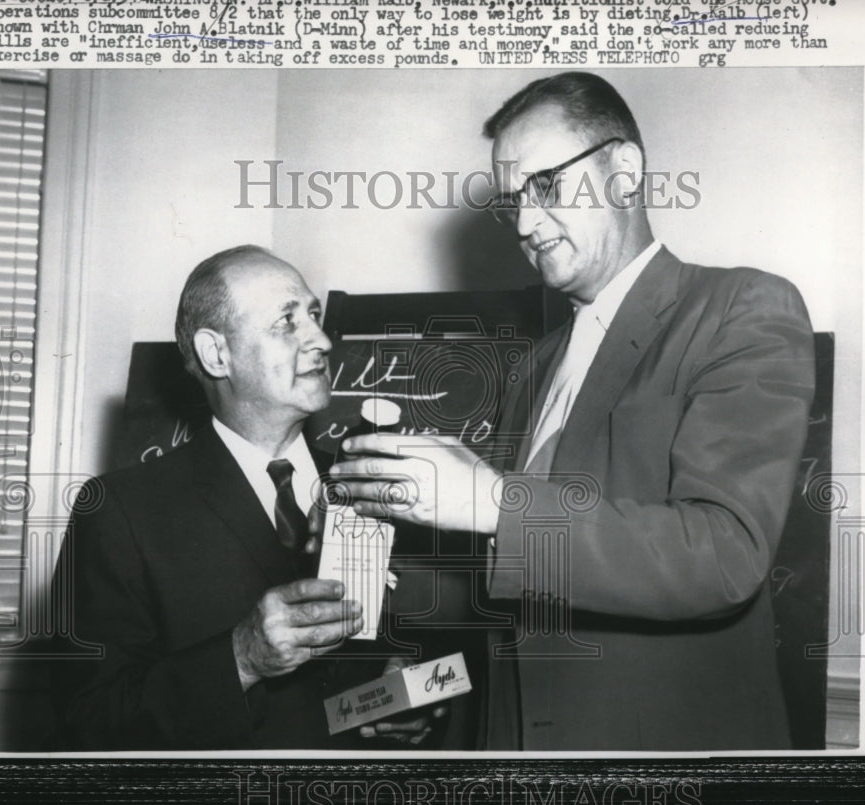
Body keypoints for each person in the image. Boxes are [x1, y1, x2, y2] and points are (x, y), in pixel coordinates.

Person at [331, 72, 817, 751]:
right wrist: (376, 596)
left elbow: (725, 554)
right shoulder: (533, 366)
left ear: (624, 170)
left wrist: (494, 502)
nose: (525, 224)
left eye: (548, 186)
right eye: (512, 202)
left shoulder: (740, 309)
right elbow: (508, 601)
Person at [51, 246, 434, 749]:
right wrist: (240, 658)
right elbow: (87, 721)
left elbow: (429, 645)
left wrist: (410, 693)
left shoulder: (373, 485)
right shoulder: (120, 511)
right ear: (217, 354)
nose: (321, 339)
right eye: (287, 322)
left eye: (314, 316)